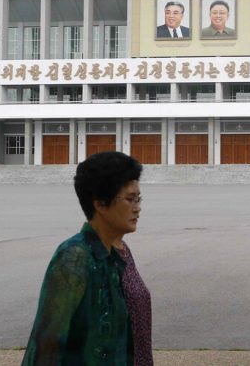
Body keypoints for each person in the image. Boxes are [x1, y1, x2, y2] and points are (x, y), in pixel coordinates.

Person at [22, 151, 153, 365]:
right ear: (100, 203)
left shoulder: (121, 251)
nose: (138, 208)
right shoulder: (74, 256)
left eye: (138, 198)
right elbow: (46, 345)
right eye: (130, 199)